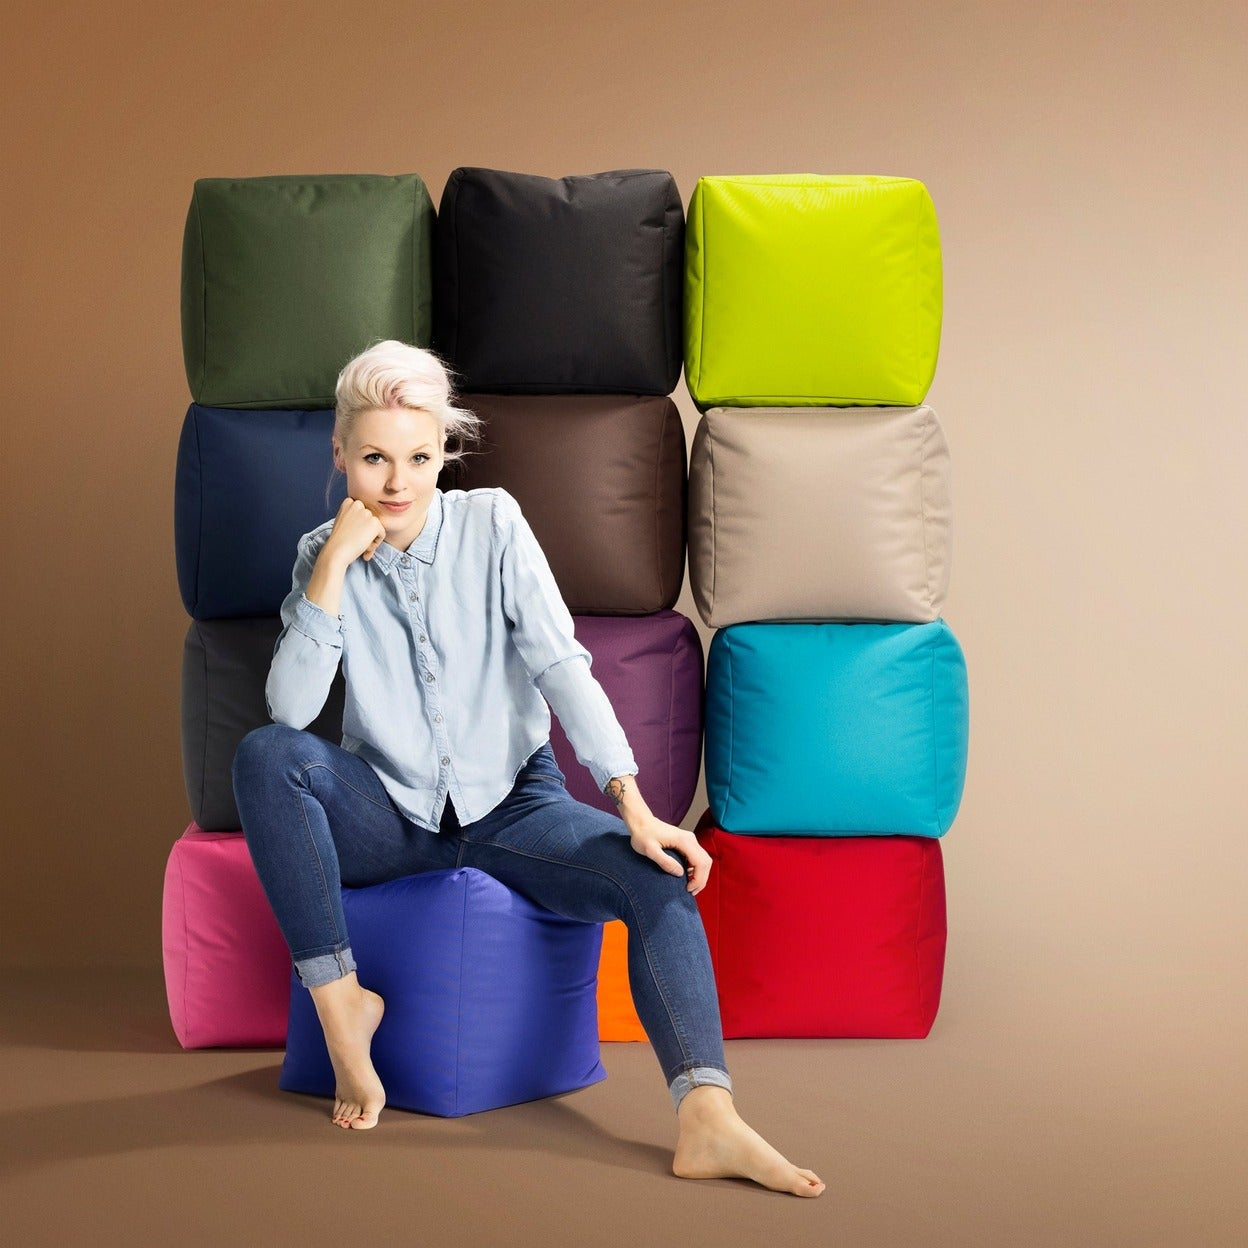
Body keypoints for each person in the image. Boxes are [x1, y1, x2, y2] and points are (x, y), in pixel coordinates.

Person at [231, 340, 824, 1197]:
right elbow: (290, 711)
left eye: (419, 458)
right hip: (387, 819)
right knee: (267, 755)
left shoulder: (493, 523)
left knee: (653, 875)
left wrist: (633, 805)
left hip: (515, 810)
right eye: (373, 459)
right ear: (340, 454)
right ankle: (340, 1005)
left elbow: (560, 665)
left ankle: (708, 1118)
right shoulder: (320, 555)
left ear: (443, 453)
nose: (397, 483)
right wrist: (330, 567)